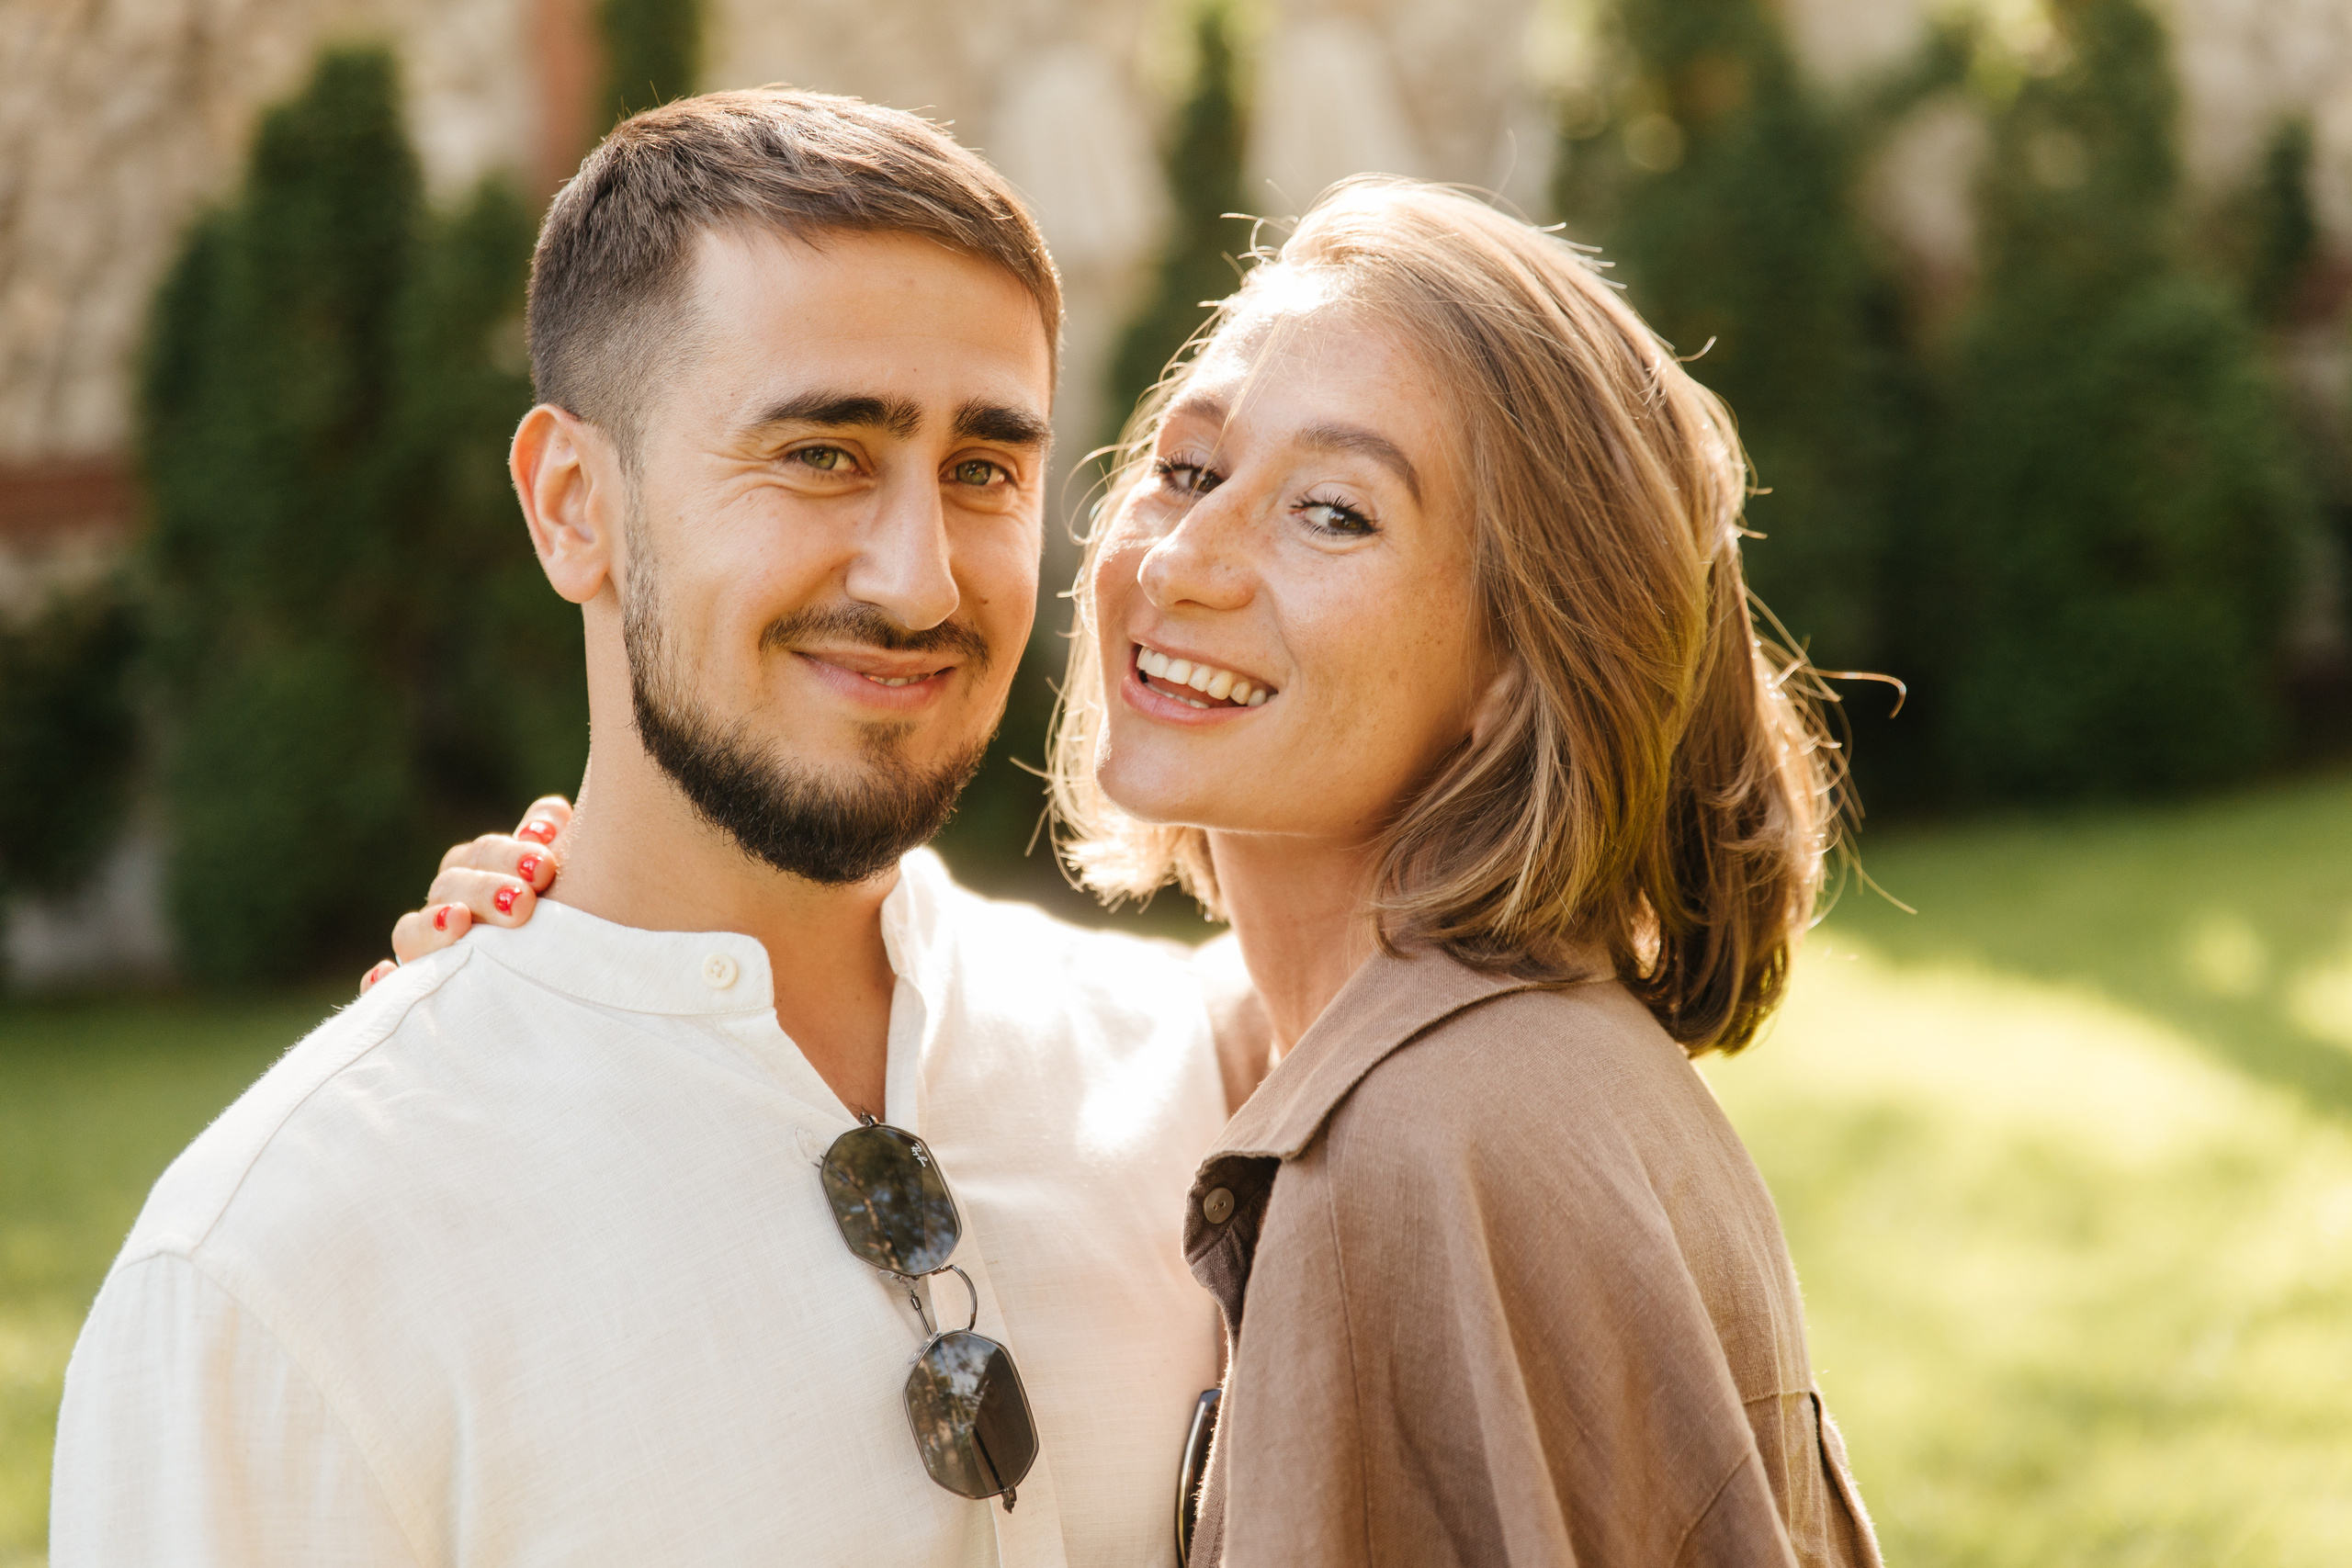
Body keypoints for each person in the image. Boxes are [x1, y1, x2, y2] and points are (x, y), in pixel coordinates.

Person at [388, 178, 1884, 1565]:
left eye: (1335, 511)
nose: (1187, 560)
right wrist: (582, 959)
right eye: (1188, 465)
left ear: (1516, 661)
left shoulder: (1441, 1135)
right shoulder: (1349, 1050)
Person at [51, 90, 1266, 1567]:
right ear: (574, 505)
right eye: (822, 452)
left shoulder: (1208, 1079)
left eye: (984, 469)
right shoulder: (278, 1268)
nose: (921, 580)